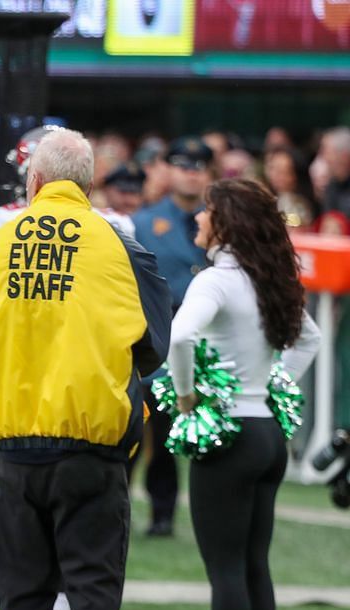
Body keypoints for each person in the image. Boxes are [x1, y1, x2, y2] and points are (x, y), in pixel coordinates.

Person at [0, 128, 170, 610]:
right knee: (91, 592)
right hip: (90, 444)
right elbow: (154, 348)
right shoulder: (120, 242)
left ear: (33, 181)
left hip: (13, 444)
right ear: (88, 184)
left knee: (21, 593)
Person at [164, 180, 320, 610]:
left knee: (227, 570)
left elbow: (180, 336)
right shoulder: (269, 278)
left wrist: (188, 397)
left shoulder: (218, 280)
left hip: (228, 437)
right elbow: (310, 341)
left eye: (206, 212)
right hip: (268, 434)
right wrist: (271, 385)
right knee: (254, 566)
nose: (199, 221)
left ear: (225, 222)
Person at [132, 136, 211, 537]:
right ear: (169, 170)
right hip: (154, 334)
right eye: (183, 166)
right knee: (136, 423)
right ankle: (120, 503)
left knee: (180, 433)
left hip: (203, 341)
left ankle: (166, 512)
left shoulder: (216, 221)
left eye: (198, 167)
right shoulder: (145, 222)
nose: (191, 174)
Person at [264, 147, 316, 231]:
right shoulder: (268, 199)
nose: (276, 175)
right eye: (273, 168)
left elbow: (295, 230)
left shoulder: (299, 205)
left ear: (295, 175)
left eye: (283, 171)